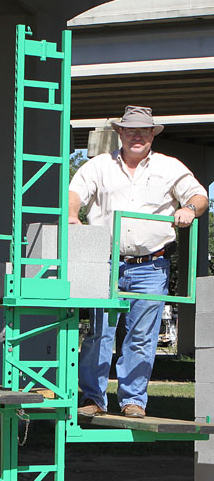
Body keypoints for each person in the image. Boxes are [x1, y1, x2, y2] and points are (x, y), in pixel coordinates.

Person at [69, 105, 208, 418]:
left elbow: (200, 196)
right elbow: (74, 192)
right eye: (131, 130)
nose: (137, 136)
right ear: (120, 132)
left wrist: (189, 209)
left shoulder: (170, 167)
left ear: (152, 135)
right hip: (104, 264)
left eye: (144, 131)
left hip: (152, 265)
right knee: (100, 333)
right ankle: (94, 399)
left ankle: (133, 401)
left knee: (143, 337)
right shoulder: (99, 166)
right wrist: (72, 216)